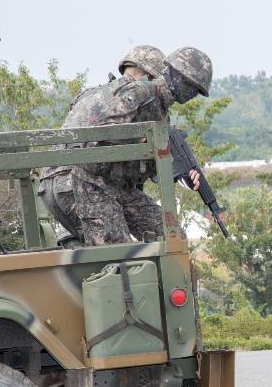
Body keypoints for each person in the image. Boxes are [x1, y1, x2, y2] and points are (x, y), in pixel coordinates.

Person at [45, 46, 211, 387]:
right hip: (82, 181)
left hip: (97, 184)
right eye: (191, 90)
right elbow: (94, 151)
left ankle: (162, 327)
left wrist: (176, 169)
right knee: (125, 274)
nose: (189, 98)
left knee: (166, 235)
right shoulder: (137, 97)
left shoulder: (136, 100)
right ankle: (132, 331)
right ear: (170, 77)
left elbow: (134, 169)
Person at [40, 46, 210, 250]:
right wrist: (142, 148)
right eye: (190, 86)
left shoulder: (143, 102)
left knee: (172, 237)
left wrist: (177, 172)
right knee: (123, 255)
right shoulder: (140, 93)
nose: (191, 94)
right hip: (86, 181)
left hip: (79, 181)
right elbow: (100, 138)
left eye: (196, 91)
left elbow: (136, 165)